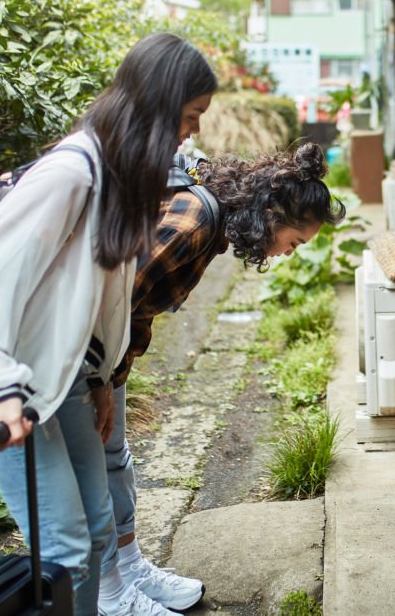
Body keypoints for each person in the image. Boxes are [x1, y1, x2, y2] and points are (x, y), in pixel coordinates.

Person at [0, 33, 217, 616]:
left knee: (95, 533)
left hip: (64, 378)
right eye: (190, 117)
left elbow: (97, 301)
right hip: (9, 387)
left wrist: (101, 381)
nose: (192, 132)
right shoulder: (70, 175)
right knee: (66, 547)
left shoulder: (119, 179)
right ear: (159, 105)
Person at [95, 143, 346, 611]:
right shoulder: (194, 220)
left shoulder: (213, 222)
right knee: (93, 472)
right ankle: (109, 595)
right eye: (294, 242)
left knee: (114, 462)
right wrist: (96, 384)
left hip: (107, 361)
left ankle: (128, 570)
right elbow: (103, 302)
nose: (289, 254)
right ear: (271, 214)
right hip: (82, 362)